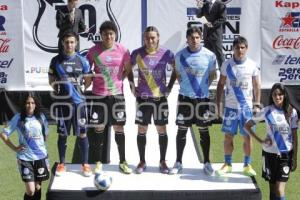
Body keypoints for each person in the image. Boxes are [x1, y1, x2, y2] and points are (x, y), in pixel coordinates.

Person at [86, 21, 132, 174]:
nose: (108, 36)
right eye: (105, 34)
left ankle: (123, 161)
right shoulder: (93, 51)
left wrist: (119, 81)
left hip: (117, 95)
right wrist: (89, 80)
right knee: (99, 128)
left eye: (111, 34)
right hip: (99, 96)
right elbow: (88, 71)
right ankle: (98, 162)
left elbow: (127, 70)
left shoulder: (123, 50)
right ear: (101, 35)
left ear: (115, 35)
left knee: (119, 127)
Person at [169, 27, 217, 175]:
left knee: (204, 131)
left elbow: (212, 76)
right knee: (181, 130)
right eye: (191, 38)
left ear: (201, 37)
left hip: (202, 99)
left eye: (197, 37)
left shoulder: (210, 56)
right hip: (185, 98)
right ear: (187, 39)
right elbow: (177, 75)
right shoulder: (179, 56)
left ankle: (207, 162)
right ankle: (178, 162)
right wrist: (187, 89)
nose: (194, 40)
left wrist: (201, 90)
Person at [130, 26, 176, 174]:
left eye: (153, 38)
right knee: (142, 129)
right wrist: (132, 84)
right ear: (144, 38)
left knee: (161, 129)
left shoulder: (167, 54)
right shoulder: (137, 53)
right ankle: (142, 161)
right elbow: (127, 68)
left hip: (160, 99)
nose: (150, 40)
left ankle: (162, 161)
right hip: (143, 99)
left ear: (158, 38)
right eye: (147, 38)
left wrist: (169, 86)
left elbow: (176, 69)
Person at [48, 31, 92, 177]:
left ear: (76, 43)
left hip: (79, 104)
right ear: (62, 43)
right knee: (62, 134)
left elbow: (87, 81)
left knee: (82, 133)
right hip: (63, 105)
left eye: (72, 42)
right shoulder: (55, 61)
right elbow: (51, 80)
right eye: (67, 42)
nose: (69, 45)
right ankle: (62, 164)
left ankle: (85, 164)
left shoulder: (83, 60)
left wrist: (77, 92)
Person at [216, 36, 261, 176]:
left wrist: (257, 104)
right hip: (230, 108)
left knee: (247, 137)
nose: (240, 50)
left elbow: (256, 85)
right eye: (237, 47)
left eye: (242, 47)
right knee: (228, 136)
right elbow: (220, 84)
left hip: (246, 109)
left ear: (246, 49)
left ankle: (247, 165)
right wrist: (218, 104)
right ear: (233, 49)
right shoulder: (226, 65)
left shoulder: (252, 65)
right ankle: (227, 163)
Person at [244, 83, 298, 200]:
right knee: (272, 190)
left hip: (286, 156)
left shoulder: (291, 112)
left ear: (284, 95)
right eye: (274, 95)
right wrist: (260, 141)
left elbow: (295, 136)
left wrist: (295, 158)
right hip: (269, 155)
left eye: (280, 94)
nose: (277, 97)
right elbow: (247, 126)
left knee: (279, 189)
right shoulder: (267, 111)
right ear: (271, 96)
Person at [0, 93, 49, 200]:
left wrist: (45, 157)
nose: (30, 105)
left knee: (37, 187)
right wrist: (15, 148)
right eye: (27, 103)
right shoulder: (18, 118)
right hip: (25, 159)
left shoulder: (41, 117)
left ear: (35, 104)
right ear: (24, 104)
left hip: (41, 158)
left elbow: (45, 136)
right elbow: (3, 134)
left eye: (32, 103)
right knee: (31, 191)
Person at [196, 0, 226, 68]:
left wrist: (212, 24)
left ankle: (223, 74)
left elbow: (223, 18)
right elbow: (198, 15)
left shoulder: (220, 4)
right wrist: (199, 6)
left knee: (219, 54)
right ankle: (209, 74)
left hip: (216, 34)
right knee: (207, 55)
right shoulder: (205, 4)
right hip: (207, 33)